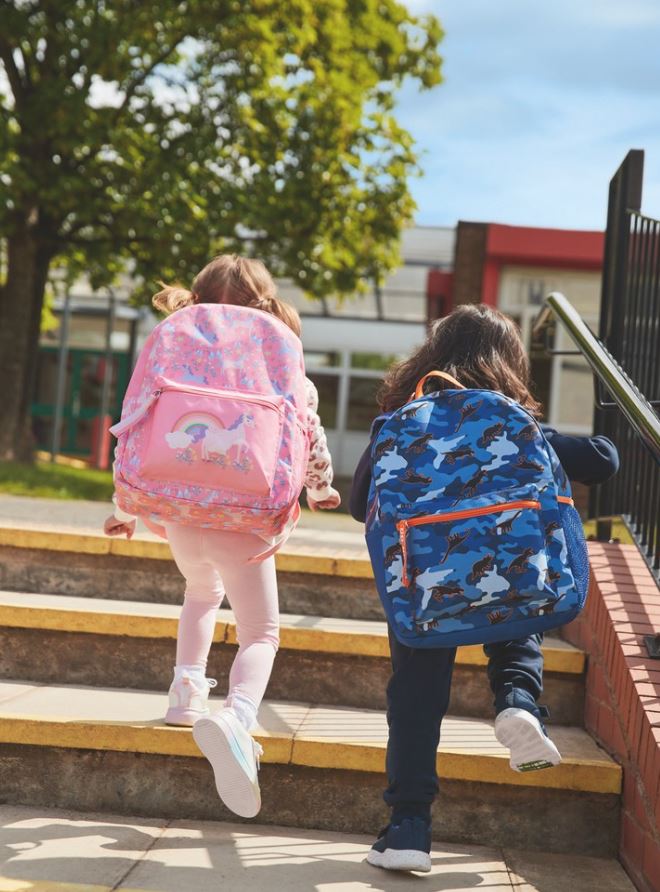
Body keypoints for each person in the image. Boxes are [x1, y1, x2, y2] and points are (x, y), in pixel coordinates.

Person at [350, 304, 619, 873]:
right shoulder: (519, 425)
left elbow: (359, 505)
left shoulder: (398, 424)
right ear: (509, 363)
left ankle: (408, 829)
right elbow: (604, 459)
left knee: (416, 697)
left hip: (425, 587)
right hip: (512, 580)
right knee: (519, 612)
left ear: (429, 356)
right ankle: (519, 703)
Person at [104, 254, 341, 819]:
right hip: (246, 516)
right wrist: (320, 488)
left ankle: (185, 693)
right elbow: (307, 431)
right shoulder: (279, 354)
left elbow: (137, 416)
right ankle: (237, 719)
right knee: (262, 632)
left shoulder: (175, 342)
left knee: (200, 595)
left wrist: (123, 504)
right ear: (265, 299)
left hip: (181, 513)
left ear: (198, 295)